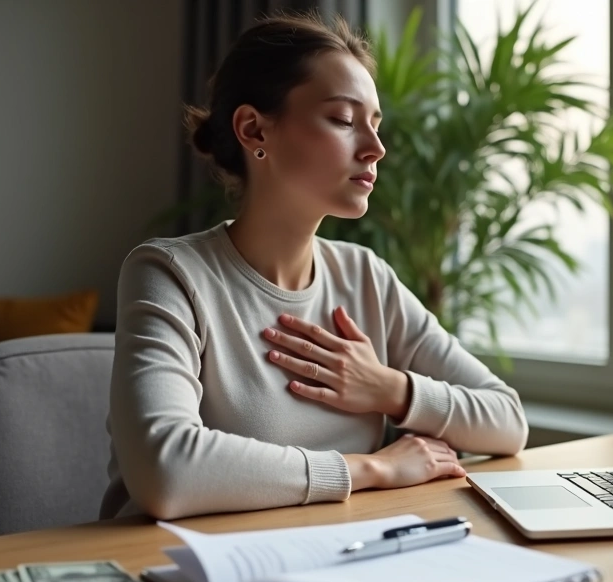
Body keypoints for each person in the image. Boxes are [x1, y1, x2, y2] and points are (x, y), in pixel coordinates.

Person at [99, 12, 528, 521]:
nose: (375, 148)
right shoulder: (170, 274)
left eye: (375, 124)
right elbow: (165, 471)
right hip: (176, 570)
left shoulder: (366, 277)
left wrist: (389, 388)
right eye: (345, 121)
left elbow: (507, 420)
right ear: (254, 128)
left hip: (328, 559)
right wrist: (370, 469)